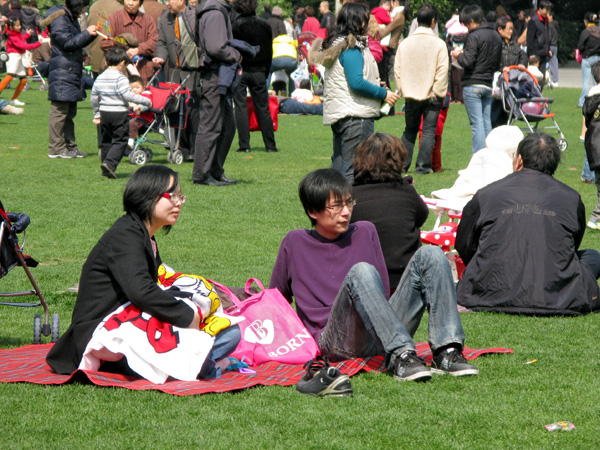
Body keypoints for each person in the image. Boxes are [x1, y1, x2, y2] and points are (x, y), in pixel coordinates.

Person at [269, 168, 478, 386]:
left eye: (349, 203)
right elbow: (277, 302)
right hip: (334, 341)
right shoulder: (294, 242)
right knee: (361, 271)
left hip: (380, 332)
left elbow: (383, 292)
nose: (346, 212)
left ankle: (447, 351)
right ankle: (402, 355)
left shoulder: (365, 231)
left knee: (431, 254)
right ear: (313, 211)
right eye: (336, 206)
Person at [46, 165, 241, 378]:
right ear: (148, 196)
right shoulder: (125, 236)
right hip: (105, 335)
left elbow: (154, 288)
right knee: (226, 334)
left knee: (229, 331)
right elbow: (142, 291)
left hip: (133, 322)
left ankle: (204, 364)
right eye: (172, 196)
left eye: (180, 196)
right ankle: (208, 366)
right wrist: (187, 316)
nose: (179, 202)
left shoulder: (143, 234)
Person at [455, 132, 600, 316]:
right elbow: (570, 245)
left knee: (591, 256)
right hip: (557, 294)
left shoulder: (487, 194)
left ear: (520, 160)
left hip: (489, 287)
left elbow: (464, 243)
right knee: (592, 257)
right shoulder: (571, 197)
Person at [309, 2, 399, 181]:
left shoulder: (339, 44)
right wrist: (384, 94)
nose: (370, 24)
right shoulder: (351, 48)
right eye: (367, 19)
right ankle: (349, 208)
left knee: (340, 168)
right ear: (358, 23)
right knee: (353, 171)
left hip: (344, 114)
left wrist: (374, 82)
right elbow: (356, 83)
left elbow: (350, 77)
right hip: (355, 117)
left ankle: (334, 205)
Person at [350, 133, 429, 288]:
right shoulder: (407, 192)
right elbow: (421, 217)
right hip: (407, 281)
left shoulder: (350, 196)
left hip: (367, 281)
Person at [394, 3, 448, 174]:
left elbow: (397, 69)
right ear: (433, 21)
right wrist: (437, 91)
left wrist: (403, 88)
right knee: (428, 131)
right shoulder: (439, 44)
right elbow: (442, 70)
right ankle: (423, 167)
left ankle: (402, 166)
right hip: (432, 94)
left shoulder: (405, 44)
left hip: (411, 94)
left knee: (409, 130)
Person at [192, 0, 240, 186]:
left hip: (216, 76)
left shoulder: (215, 9)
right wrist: (236, 54)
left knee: (227, 125)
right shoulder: (215, 12)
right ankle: (202, 174)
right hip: (213, 76)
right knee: (211, 126)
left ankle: (214, 170)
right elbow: (216, 47)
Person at [44, 0, 98, 159]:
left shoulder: (69, 18)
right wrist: (87, 33)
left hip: (71, 70)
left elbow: (76, 42)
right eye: (82, 7)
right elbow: (67, 43)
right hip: (62, 71)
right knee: (59, 111)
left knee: (69, 111)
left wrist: (90, 35)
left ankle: (70, 146)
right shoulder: (60, 19)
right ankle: (56, 148)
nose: (83, 11)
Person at [91, 47, 152, 179]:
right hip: (118, 113)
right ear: (123, 63)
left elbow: (94, 97)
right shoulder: (121, 78)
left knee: (107, 140)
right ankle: (110, 164)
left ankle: (105, 168)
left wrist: (97, 113)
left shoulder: (100, 78)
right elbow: (128, 96)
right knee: (120, 140)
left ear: (106, 62)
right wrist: (145, 101)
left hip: (105, 112)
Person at [152, 0, 202, 162]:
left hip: (193, 73)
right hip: (173, 73)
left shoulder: (195, 16)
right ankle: (180, 147)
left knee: (193, 111)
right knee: (175, 110)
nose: (166, 3)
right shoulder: (164, 18)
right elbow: (161, 42)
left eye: (170, 0)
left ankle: (195, 149)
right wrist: (160, 56)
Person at [451, 5, 502, 154]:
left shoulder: (474, 36)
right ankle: (489, 155)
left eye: (466, 24)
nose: (466, 28)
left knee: (477, 124)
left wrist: (457, 55)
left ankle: (478, 159)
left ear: (472, 20)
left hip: (472, 83)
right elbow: (498, 63)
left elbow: (467, 62)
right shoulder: (496, 35)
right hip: (487, 84)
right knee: (487, 123)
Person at [232, 0, 278, 154]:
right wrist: (266, 70)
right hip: (259, 70)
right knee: (263, 108)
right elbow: (269, 51)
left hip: (241, 70)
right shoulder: (264, 25)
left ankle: (244, 145)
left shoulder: (236, 25)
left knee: (240, 107)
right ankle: (270, 145)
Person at [100, 0, 158, 85]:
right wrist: (122, 51)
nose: (131, 3)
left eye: (134, 0)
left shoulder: (148, 20)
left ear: (140, 2)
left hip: (142, 70)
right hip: (118, 71)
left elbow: (154, 41)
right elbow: (104, 42)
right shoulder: (112, 18)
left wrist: (138, 50)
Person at [0, 17, 41, 106]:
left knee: (23, 80)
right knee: (9, 76)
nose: (19, 27)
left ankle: (14, 99)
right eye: (17, 26)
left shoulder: (15, 34)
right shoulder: (12, 36)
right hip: (13, 57)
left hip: (18, 57)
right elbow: (23, 45)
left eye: (19, 25)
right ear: (11, 27)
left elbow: (21, 39)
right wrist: (38, 44)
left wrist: (27, 34)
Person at [583, 61, 600, 230]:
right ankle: (595, 217)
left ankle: (595, 219)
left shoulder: (591, 98)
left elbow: (588, 121)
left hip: (594, 148)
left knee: (599, 185)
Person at [526, 0, 552, 90]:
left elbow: (546, 35)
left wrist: (548, 48)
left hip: (544, 52)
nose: (547, 13)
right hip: (536, 53)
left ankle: (539, 97)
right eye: (546, 10)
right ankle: (533, 96)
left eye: (549, 11)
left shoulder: (546, 20)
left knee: (542, 78)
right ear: (540, 9)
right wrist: (531, 53)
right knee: (534, 77)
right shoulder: (533, 21)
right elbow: (530, 39)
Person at [576, 12, 600, 108]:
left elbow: (580, 45)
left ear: (586, 21)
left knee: (586, 82)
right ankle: (597, 101)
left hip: (587, 58)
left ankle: (582, 102)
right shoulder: (599, 30)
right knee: (597, 81)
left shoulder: (585, 32)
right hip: (598, 58)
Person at [127, 75, 153, 151]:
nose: (134, 90)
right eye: (132, 88)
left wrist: (140, 107)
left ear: (143, 88)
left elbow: (149, 104)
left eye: (137, 88)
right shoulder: (131, 97)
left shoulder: (146, 95)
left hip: (145, 119)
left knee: (132, 123)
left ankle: (131, 141)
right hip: (135, 117)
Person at [547, 12, 559, 88]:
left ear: (551, 16)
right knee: (554, 63)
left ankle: (552, 80)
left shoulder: (549, 25)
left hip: (550, 46)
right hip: (555, 45)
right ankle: (554, 79)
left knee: (551, 64)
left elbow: (548, 37)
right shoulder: (556, 25)